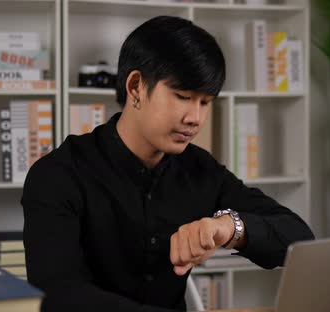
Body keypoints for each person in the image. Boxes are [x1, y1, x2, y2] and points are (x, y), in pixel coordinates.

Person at [21, 15, 314, 312]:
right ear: (135, 87)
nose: (195, 118)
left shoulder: (200, 170)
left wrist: (229, 228)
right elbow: (58, 294)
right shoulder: (58, 175)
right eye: (183, 97)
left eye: (205, 102)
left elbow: (298, 238)